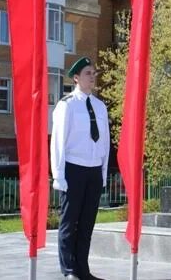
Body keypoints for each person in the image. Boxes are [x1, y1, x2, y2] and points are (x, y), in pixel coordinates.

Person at [50, 57, 110, 280]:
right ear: (76, 78)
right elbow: (58, 142)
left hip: (93, 170)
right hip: (74, 169)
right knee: (70, 222)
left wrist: (103, 173)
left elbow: (104, 142)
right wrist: (58, 175)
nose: (92, 76)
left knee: (86, 223)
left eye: (94, 73)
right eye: (88, 73)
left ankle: (83, 269)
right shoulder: (67, 105)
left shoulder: (100, 106)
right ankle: (68, 270)